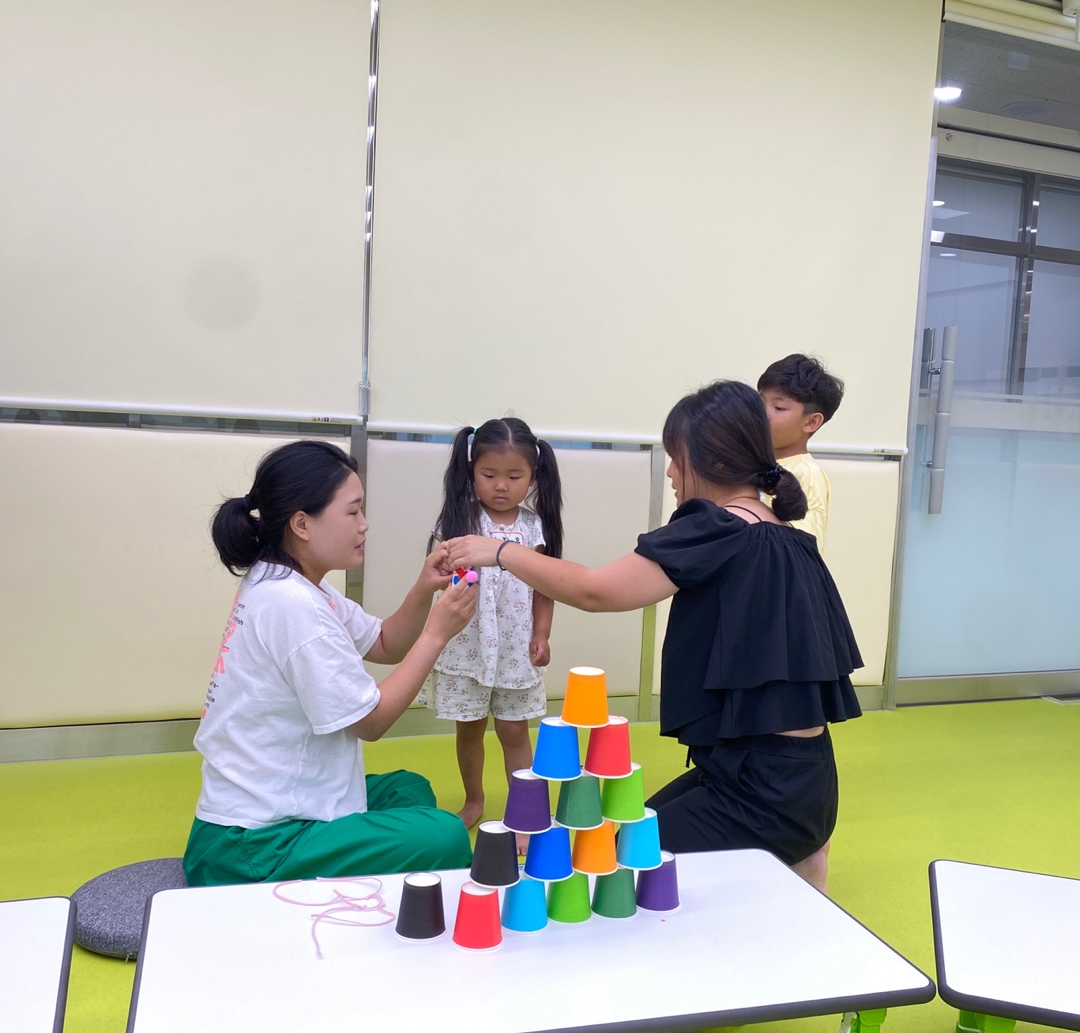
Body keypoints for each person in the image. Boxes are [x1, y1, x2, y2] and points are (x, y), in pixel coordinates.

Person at [444, 381, 863, 893]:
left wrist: (499, 551)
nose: (669, 473)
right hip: (804, 781)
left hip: (759, 792)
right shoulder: (784, 533)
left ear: (709, 460)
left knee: (616, 859)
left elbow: (597, 590)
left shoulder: (719, 527)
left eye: (675, 459)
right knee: (627, 832)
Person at [183, 439, 477, 890]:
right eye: (353, 511)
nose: (364, 524)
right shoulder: (292, 604)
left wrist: (424, 589)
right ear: (302, 523)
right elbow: (371, 722)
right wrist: (437, 634)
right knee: (446, 835)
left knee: (408, 788)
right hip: (254, 844)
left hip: (280, 806)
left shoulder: (293, 581)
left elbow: (385, 643)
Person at [426, 418, 564, 828]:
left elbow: (545, 587)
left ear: (533, 477)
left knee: (514, 730)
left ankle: (526, 812)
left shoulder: (534, 527)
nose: (501, 486)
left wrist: (542, 634)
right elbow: (442, 577)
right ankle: (474, 800)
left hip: (514, 647)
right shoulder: (459, 521)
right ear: (472, 472)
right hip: (467, 643)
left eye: (514, 476)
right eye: (489, 475)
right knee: (469, 729)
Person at [756, 353, 844, 554]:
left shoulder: (807, 474)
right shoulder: (755, 463)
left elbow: (799, 549)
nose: (762, 413)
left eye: (778, 408)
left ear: (811, 422)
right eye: (759, 402)